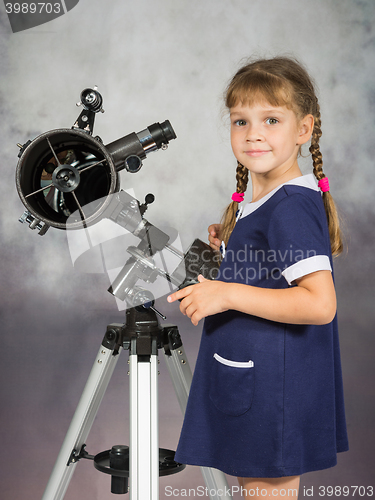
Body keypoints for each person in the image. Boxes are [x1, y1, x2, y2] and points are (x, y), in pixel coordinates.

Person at [167, 56, 349, 499]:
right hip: (257, 382)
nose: (253, 133)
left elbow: (319, 304)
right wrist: (232, 249)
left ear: (303, 130)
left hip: (272, 394)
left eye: (271, 119)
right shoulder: (270, 202)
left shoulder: (288, 205)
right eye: (240, 121)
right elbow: (272, 275)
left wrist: (225, 292)